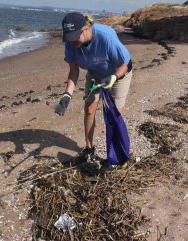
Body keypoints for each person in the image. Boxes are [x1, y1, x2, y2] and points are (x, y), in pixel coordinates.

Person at [55, 12, 133, 162]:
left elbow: (124, 65)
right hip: (95, 73)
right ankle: (89, 148)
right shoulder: (72, 43)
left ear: (86, 28)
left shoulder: (106, 37)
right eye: (69, 38)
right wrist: (67, 95)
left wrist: (114, 77)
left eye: (75, 36)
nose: (73, 42)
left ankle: (116, 155)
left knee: (113, 115)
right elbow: (73, 71)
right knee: (89, 108)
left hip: (118, 73)